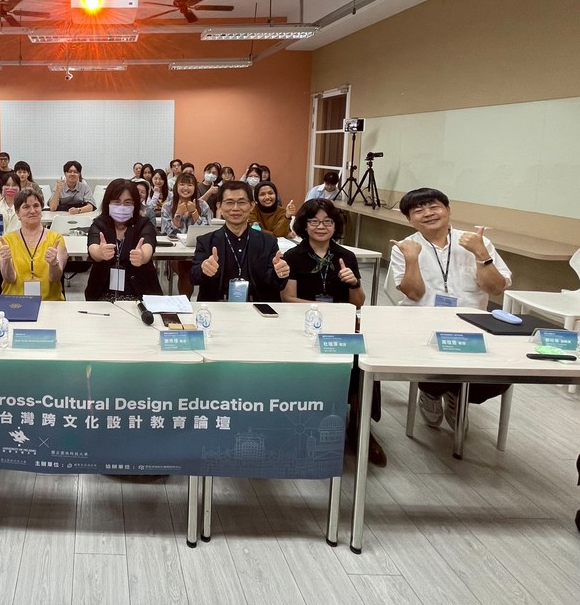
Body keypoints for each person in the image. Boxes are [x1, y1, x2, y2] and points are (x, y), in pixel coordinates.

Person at [390, 187, 513, 430]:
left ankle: (458, 394)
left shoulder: (477, 242)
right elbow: (414, 294)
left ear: (448, 210)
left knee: (500, 378)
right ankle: (432, 392)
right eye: (418, 210)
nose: (428, 213)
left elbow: (496, 288)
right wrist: (412, 259)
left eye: (434, 206)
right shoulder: (404, 247)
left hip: (472, 327)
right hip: (423, 327)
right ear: (409, 219)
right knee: (430, 368)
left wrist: (481, 254)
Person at [281, 201, 384, 466]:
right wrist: (326, 310)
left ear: (335, 225)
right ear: (304, 225)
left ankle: (359, 425)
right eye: (314, 221)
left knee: (362, 359)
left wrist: (354, 283)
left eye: (327, 221)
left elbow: (358, 302)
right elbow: (288, 299)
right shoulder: (293, 256)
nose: (321, 227)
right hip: (303, 325)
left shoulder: (345, 256)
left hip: (340, 325)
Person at [191, 180, 289, 302]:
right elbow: (193, 277)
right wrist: (203, 269)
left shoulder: (268, 242)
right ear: (219, 206)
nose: (235, 208)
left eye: (242, 202)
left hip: (256, 307)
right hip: (218, 306)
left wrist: (279, 273)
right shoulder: (206, 241)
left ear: (252, 206)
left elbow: (275, 283)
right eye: (229, 202)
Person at [86, 179, 163, 301]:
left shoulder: (144, 224)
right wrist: (100, 253)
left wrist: (142, 256)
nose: (122, 207)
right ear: (108, 203)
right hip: (103, 295)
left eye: (128, 203)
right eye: (116, 202)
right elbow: (93, 247)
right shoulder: (99, 224)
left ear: (135, 205)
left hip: (140, 295)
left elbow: (148, 244)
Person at [0, 189, 67, 300]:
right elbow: (9, 279)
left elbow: (55, 278)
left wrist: (54, 264)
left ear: (41, 210)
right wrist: (7, 261)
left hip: (49, 302)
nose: (32, 211)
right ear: (17, 213)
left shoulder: (56, 239)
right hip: (15, 301)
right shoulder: (6, 241)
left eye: (36, 206)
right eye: (26, 207)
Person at [161, 171, 211, 296]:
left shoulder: (203, 205)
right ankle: (185, 301)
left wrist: (194, 212)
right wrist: (178, 214)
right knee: (185, 268)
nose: (185, 188)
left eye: (190, 185)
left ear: (195, 188)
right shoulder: (167, 207)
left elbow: (206, 232)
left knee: (192, 267)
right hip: (176, 253)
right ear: (176, 187)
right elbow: (167, 234)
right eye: (182, 184)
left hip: (198, 251)